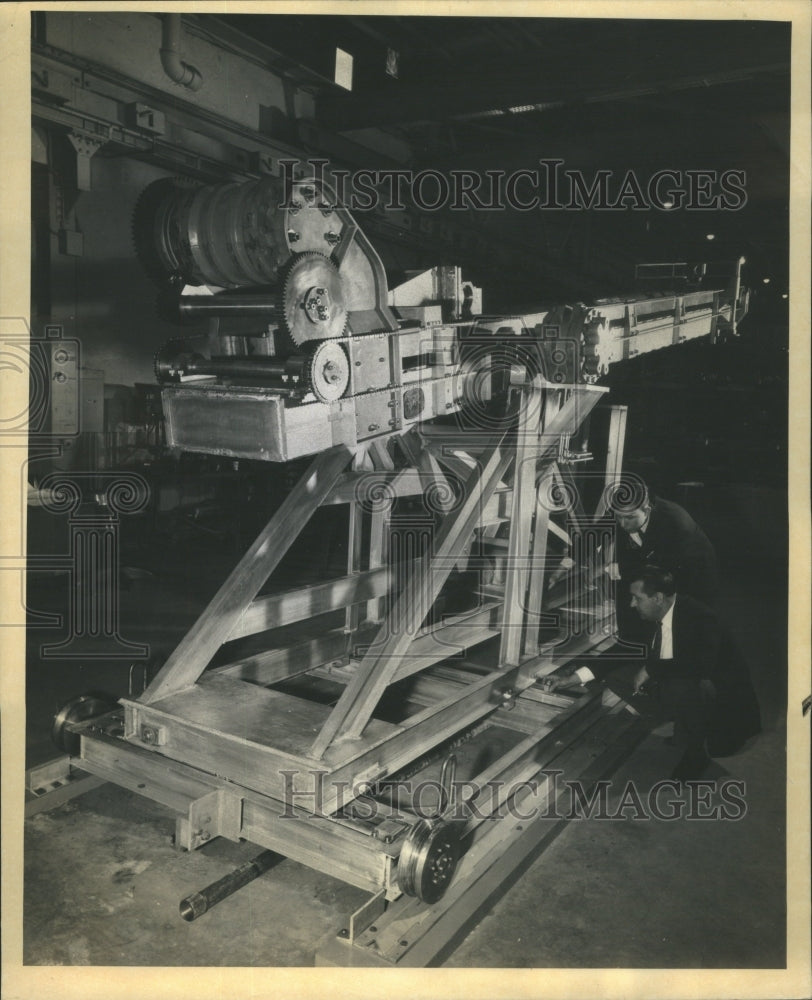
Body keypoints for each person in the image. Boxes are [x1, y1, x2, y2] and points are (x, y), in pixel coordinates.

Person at [541, 565, 761, 781]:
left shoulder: (700, 617)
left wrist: (650, 669)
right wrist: (573, 678)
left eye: (637, 598)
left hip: (720, 700)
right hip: (683, 683)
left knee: (686, 687)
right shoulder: (651, 614)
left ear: (657, 598)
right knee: (617, 676)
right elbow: (622, 650)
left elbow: (700, 666)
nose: (632, 604)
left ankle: (696, 754)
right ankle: (681, 723)